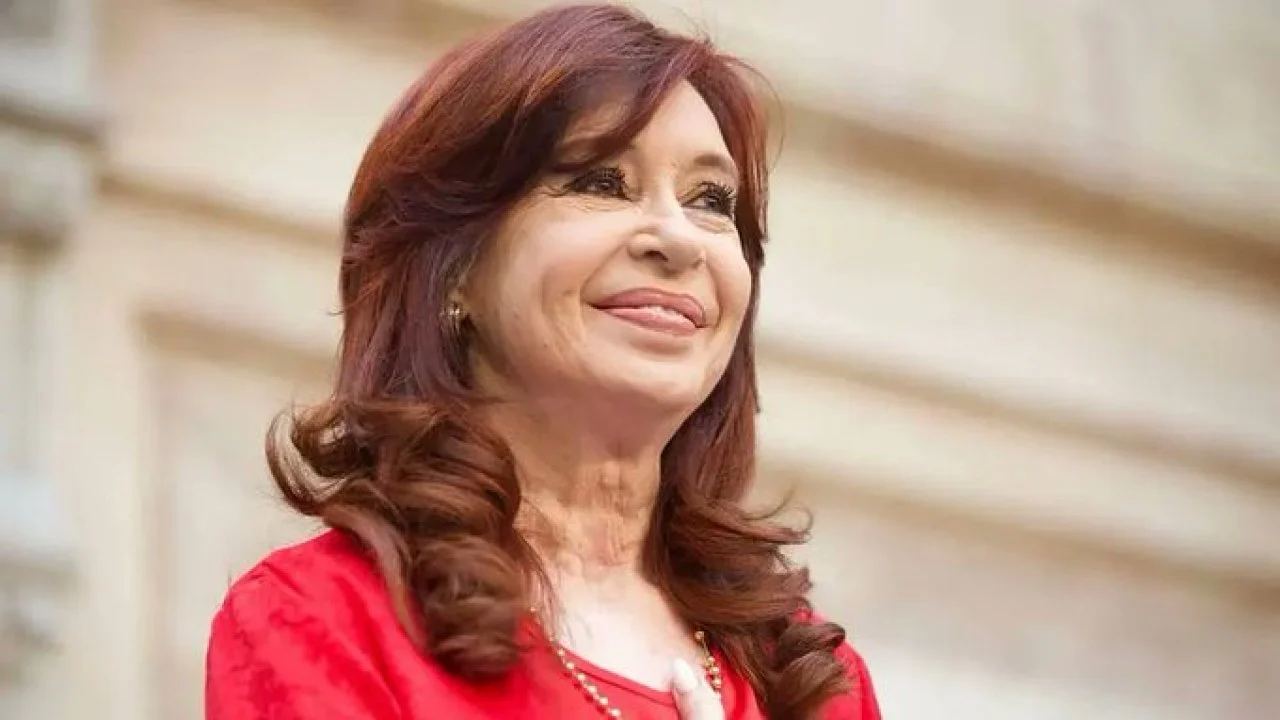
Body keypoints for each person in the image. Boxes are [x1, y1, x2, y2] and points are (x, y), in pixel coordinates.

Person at [204, 4, 880, 719]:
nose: (679, 239)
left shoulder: (808, 678)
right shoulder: (323, 618)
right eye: (601, 183)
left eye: (711, 200)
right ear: (453, 271)